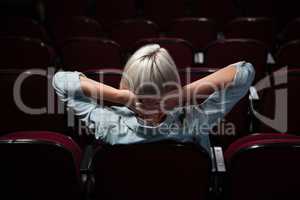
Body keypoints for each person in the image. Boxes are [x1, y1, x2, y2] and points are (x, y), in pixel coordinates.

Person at [52, 44, 255, 154]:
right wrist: (181, 95)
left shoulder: (109, 127)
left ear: (127, 85)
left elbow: (61, 81)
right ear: (172, 85)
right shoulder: (195, 123)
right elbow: (244, 72)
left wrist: (121, 97)